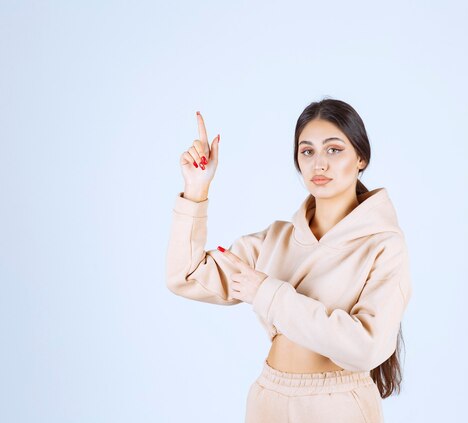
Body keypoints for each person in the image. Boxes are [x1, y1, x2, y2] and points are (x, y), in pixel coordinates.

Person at [165, 98, 413, 423]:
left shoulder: (384, 244)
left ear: (361, 158)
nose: (318, 164)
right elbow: (186, 275)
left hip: (338, 406)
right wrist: (196, 190)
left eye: (334, 149)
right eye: (307, 151)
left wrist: (267, 293)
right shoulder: (276, 240)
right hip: (268, 400)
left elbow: (366, 347)